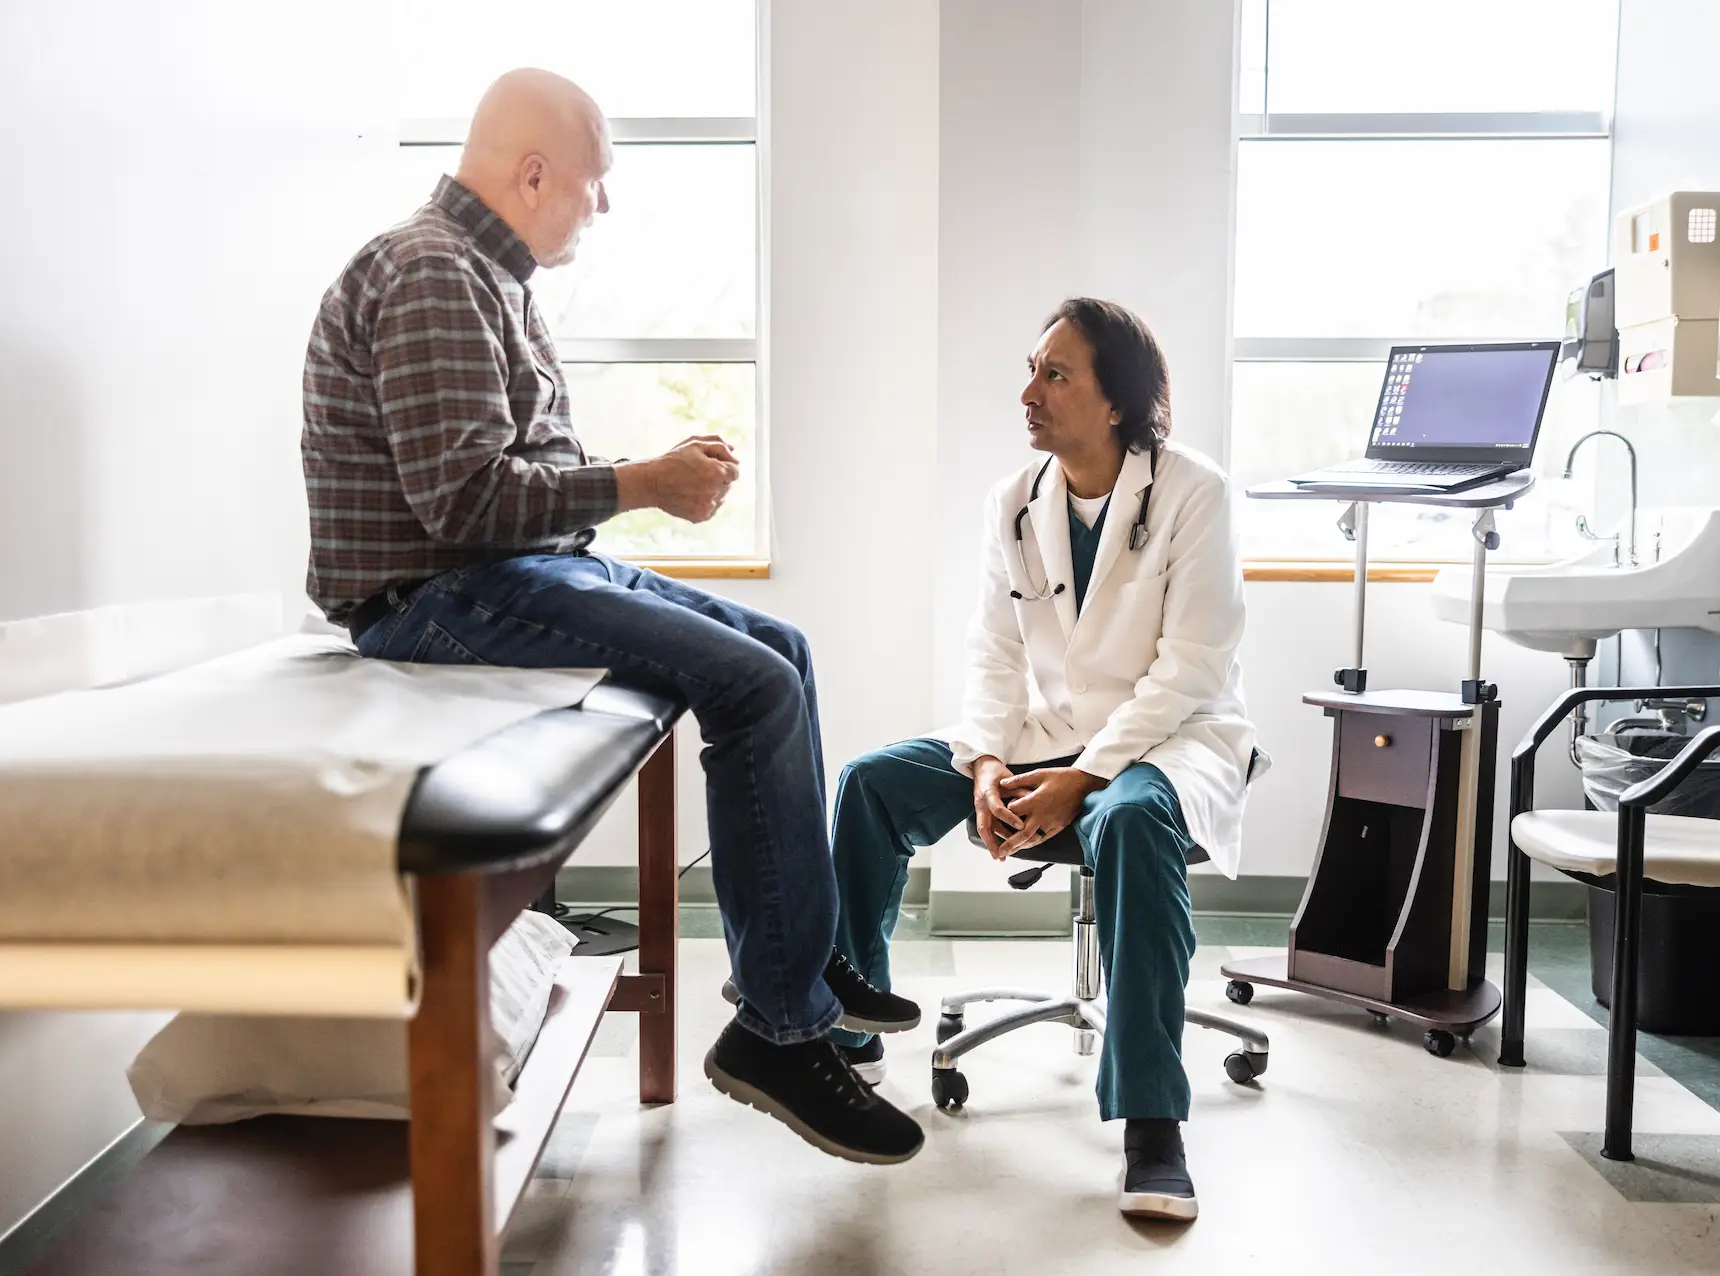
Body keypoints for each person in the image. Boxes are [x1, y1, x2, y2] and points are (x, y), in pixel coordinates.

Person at [300, 68, 923, 1165]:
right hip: (431, 598)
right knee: (759, 685)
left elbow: (509, 474)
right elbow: (462, 502)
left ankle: (792, 953)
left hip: (513, 568)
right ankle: (778, 1028)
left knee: (781, 647)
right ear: (532, 173)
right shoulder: (434, 271)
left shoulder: (488, 278)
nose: (603, 205)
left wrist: (634, 480)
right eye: (596, 182)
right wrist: (642, 482)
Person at [825, 299, 1261, 1218]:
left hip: (1165, 739)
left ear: (1116, 402)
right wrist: (984, 764)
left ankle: (1152, 1124)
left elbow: (1192, 667)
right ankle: (852, 1039)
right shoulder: (1016, 499)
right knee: (870, 786)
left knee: (1135, 821)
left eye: (1055, 375)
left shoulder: (1194, 492)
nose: (1028, 392)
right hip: (1039, 734)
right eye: (1032, 368)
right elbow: (994, 650)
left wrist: (1083, 779)